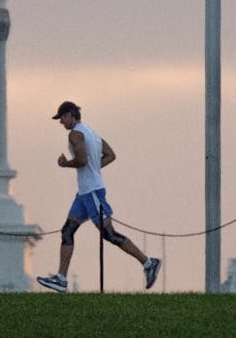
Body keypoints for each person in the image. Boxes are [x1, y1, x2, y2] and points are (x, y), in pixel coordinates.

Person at [35, 101, 160, 293]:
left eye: (62, 118)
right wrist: (94, 170)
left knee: (109, 234)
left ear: (70, 115)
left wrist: (65, 164)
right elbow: (110, 155)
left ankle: (148, 263)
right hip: (86, 192)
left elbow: (82, 160)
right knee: (67, 231)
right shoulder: (92, 133)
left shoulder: (75, 134)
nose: (61, 122)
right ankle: (61, 278)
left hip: (91, 192)